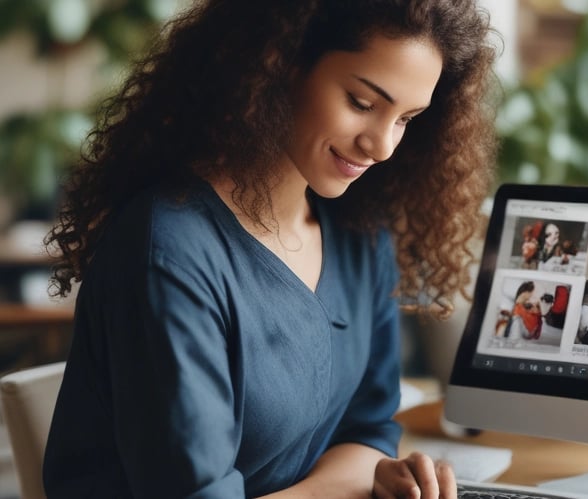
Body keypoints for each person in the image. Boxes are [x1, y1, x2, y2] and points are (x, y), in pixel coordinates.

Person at [41, 0, 497, 497]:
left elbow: (368, 428)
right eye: (363, 103)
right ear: (279, 64)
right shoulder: (169, 254)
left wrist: (378, 479)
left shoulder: (360, 232)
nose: (383, 146)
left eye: (406, 118)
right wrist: (347, 488)